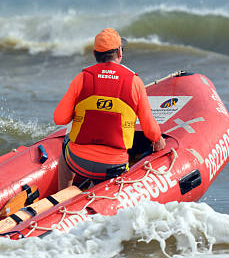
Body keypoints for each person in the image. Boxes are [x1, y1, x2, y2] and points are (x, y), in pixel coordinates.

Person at [54, 28, 166, 190]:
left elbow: (60, 119)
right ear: (120, 52)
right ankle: (97, 187)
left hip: (78, 162)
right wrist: (158, 139)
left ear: (94, 54)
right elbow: (150, 129)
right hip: (113, 168)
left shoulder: (82, 78)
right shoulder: (134, 82)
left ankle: (62, 195)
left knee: (66, 142)